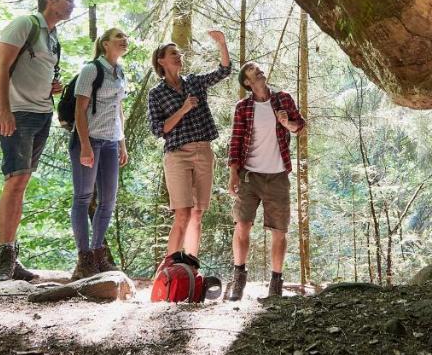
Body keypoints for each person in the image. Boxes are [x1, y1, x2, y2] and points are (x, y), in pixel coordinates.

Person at [0, 0, 73, 282]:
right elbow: (0, 67)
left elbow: (43, 71)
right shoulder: (25, 24)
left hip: (41, 113)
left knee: (21, 182)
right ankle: (5, 258)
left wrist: (53, 86)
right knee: (16, 180)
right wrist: (3, 109)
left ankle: (2, 254)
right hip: (18, 112)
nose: (71, 5)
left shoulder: (53, 37)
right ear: (49, 0)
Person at [146, 29, 232, 260]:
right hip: (177, 155)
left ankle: (190, 266)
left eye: (179, 53)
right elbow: (158, 129)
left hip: (204, 151)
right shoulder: (156, 94)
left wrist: (222, 44)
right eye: (173, 53)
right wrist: (183, 109)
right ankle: (169, 268)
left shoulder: (194, 82)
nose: (178, 56)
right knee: (182, 213)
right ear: (161, 61)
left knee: (197, 213)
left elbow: (224, 71)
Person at [226, 61, 306, 301]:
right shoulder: (243, 107)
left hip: (278, 175)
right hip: (249, 175)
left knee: (279, 230)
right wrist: (232, 174)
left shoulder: (283, 99)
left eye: (258, 68)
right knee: (242, 224)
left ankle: (276, 283)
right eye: (252, 71)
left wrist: (286, 123)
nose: (258, 71)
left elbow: (299, 126)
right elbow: (236, 141)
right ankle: (239, 278)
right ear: (247, 83)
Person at [68, 27, 130, 279]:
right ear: (105, 44)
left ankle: (97, 253)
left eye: (125, 38)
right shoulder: (91, 70)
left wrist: (122, 143)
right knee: (83, 198)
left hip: (112, 142)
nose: (124, 41)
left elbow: (119, 109)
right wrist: (84, 145)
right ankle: (83, 259)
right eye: (119, 38)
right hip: (89, 140)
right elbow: (79, 111)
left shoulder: (121, 72)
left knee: (108, 200)